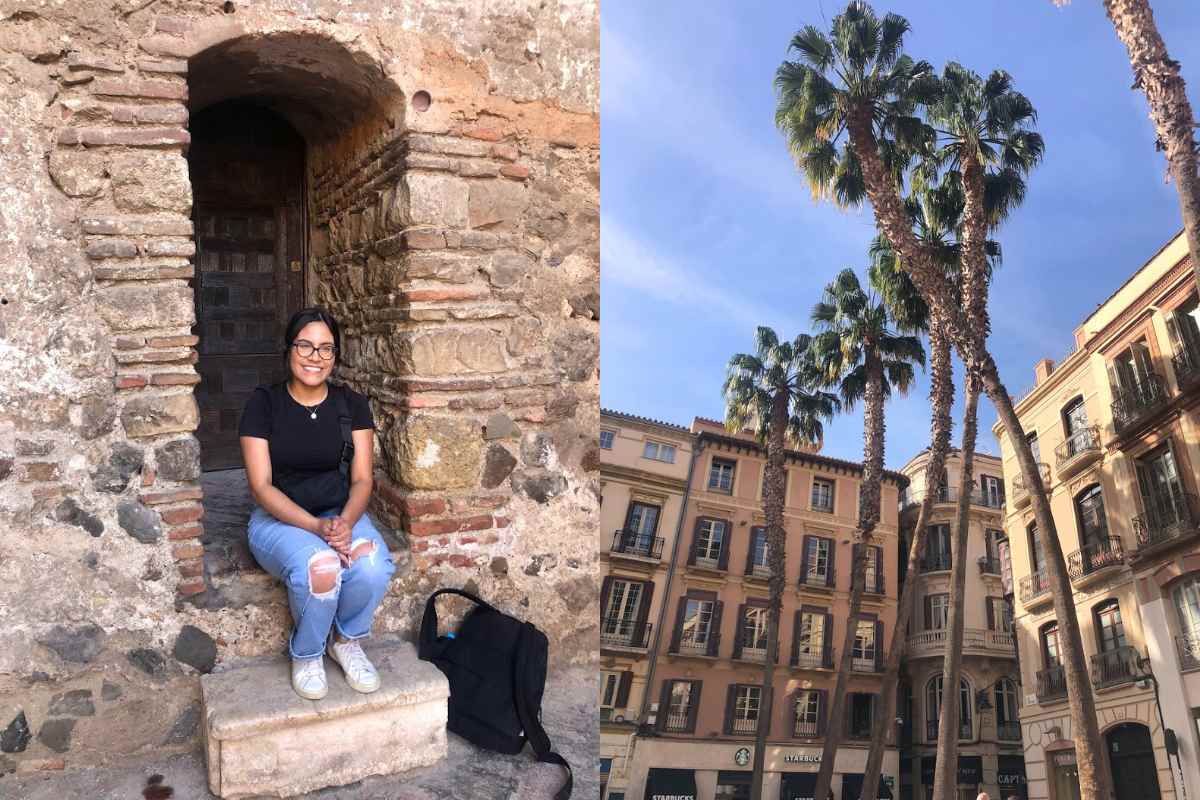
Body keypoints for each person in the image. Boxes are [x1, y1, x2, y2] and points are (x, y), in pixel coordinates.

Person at [238, 307, 395, 699]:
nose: (315, 356)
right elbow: (261, 487)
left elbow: (362, 479)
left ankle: (345, 641)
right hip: (281, 519)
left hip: (339, 512)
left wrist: (342, 523)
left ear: (335, 357)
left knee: (373, 564)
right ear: (289, 350)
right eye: (305, 345)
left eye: (326, 349)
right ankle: (307, 653)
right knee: (321, 567)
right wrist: (316, 528)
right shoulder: (264, 404)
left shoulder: (351, 405)